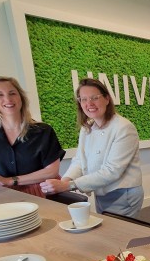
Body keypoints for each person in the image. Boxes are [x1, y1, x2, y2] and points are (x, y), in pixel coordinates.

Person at [41, 78, 143, 218]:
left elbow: (112, 171)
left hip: (123, 194)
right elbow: (79, 160)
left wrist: (69, 185)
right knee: (107, 232)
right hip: (101, 192)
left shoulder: (124, 127)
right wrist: (64, 180)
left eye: (94, 98)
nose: (89, 104)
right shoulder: (87, 127)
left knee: (118, 236)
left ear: (107, 99)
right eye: (83, 99)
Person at [0, 76, 65, 197]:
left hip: (41, 195)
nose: (8, 99)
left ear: (21, 97)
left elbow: (51, 172)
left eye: (12, 93)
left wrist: (10, 181)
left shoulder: (43, 131)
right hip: (0, 195)